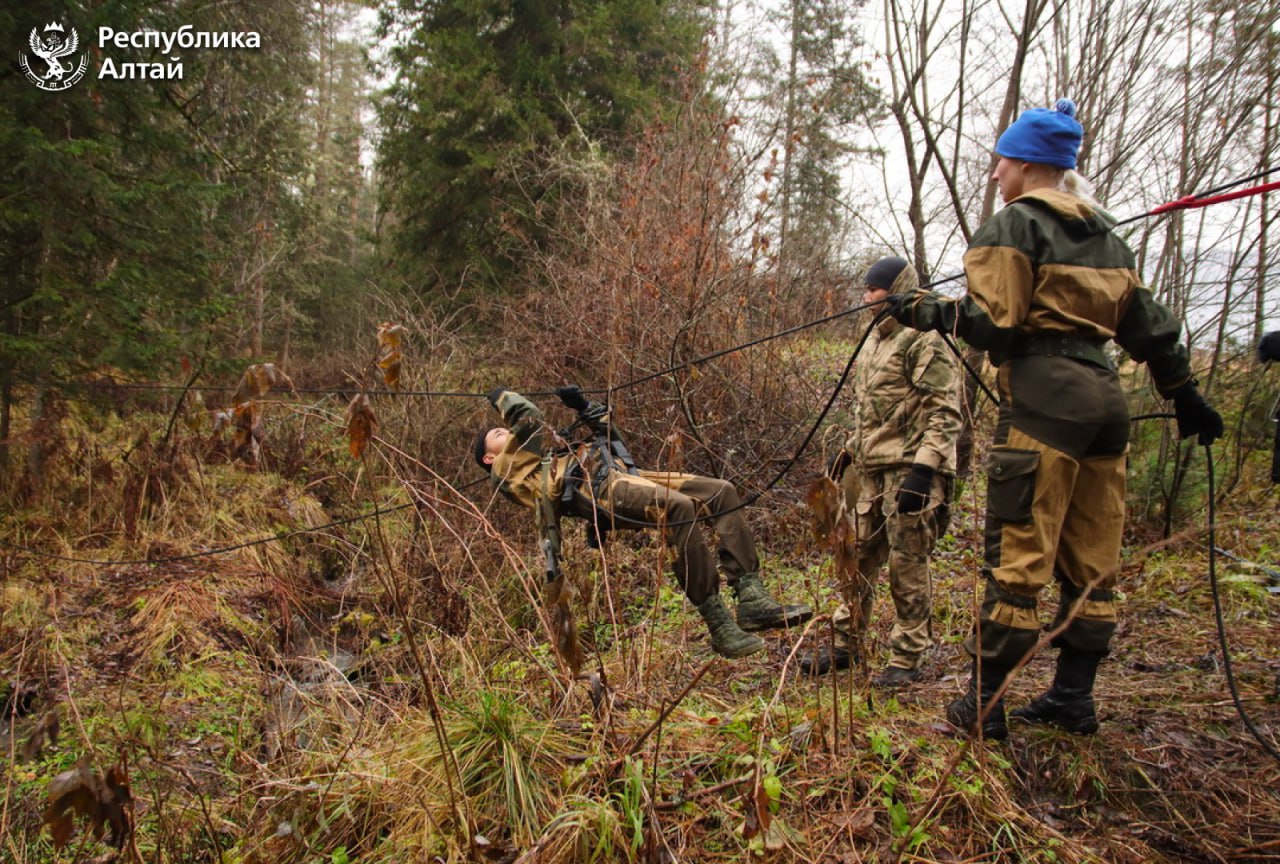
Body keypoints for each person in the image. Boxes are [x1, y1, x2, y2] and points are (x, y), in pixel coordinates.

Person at [888, 98, 1224, 739]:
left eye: (999, 164)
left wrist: (924, 310)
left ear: (1024, 164)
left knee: (1018, 556)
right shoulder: (1109, 234)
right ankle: (1073, 700)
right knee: (1092, 559)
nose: (993, 176)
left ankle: (984, 707)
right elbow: (1150, 328)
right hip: (1107, 404)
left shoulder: (1014, 226)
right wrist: (1185, 394)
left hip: (1045, 401)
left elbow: (997, 324)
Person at [475, 386, 812, 658]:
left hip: (617, 476)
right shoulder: (505, 472)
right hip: (595, 491)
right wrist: (501, 396)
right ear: (490, 457)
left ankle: (751, 595)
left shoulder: (547, 457)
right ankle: (719, 623)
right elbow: (528, 416)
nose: (504, 431)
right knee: (678, 509)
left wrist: (584, 407)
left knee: (719, 492)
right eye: (498, 433)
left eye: (502, 428)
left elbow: (611, 436)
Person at [801, 256, 962, 689]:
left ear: (897, 288)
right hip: (871, 473)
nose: (867, 298)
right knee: (855, 558)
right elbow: (876, 413)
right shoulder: (876, 340)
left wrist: (925, 473)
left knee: (907, 566)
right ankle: (846, 642)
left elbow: (944, 413)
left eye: (875, 290)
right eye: (867, 290)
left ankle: (907, 656)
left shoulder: (925, 337)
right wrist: (848, 453)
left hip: (911, 472)